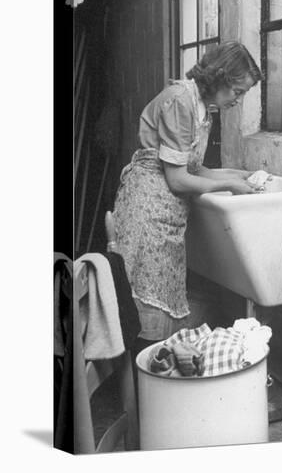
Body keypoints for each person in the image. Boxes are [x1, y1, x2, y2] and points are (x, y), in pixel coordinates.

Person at [111, 41, 263, 352]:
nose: (239, 99)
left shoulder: (201, 106)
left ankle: (154, 379)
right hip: (148, 211)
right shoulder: (180, 100)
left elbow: (193, 167)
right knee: (144, 301)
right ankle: (142, 386)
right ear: (220, 78)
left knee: (160, 296)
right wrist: (229, 187)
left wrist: (238, 175)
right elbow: (179, 180)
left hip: (167, 214)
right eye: (238, 91)